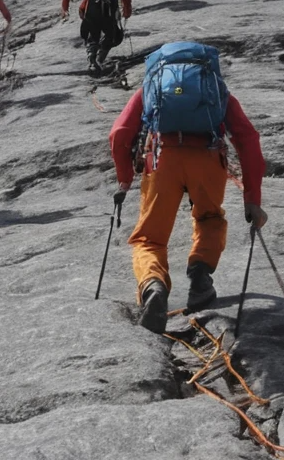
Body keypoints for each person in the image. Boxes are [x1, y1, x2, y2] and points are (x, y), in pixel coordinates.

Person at [108, 42, 267, 334]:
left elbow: (119, 134)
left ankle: (153, 285)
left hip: (162, 159)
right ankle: (200, 278)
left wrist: (124, 178)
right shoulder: (217, 91)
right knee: (209, 218)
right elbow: (248, 139)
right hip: (207, 159)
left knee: (149, 238)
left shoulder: (151, 89)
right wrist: (252, 199)